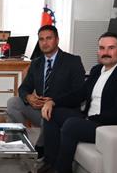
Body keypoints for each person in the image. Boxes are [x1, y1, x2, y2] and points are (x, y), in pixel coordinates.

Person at [37, 32, 117, 173]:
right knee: (53, 113)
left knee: (72, 125)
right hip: (91, 119)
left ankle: (63, 171)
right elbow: (80, 94)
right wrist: (53, 102)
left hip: (111, 127)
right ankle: (50, 163)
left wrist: (89, 120)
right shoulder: (97, 70)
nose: (106, 52)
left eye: (111, 48)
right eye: (102, 48)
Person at [7, 25, 85, 154]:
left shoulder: (72, 61)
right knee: (13, 102)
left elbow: (79, 93)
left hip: (62, 110)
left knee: (48, 115)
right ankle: (19, 145)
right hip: (39, 109)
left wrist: (53, 102)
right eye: (41, 39)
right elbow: (24, 88)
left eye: (49, 38)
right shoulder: (36, 63)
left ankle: (40, 151)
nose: (45, 42)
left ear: (57, 40)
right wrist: (28, 97)